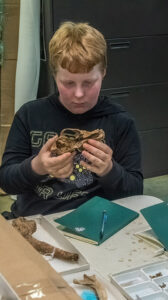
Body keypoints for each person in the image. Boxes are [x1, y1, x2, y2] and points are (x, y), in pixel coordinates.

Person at [0, 22, 143, 218]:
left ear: (103, 73)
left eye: (89, 83)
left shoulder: (119, 122)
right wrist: (36, 167)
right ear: (54, 76)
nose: (78, 94)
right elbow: (6, 181)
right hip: (35, 219)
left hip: (93, 220)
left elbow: (135, 192)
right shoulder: (30, 115)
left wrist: (110, 170)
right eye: (68, 83)